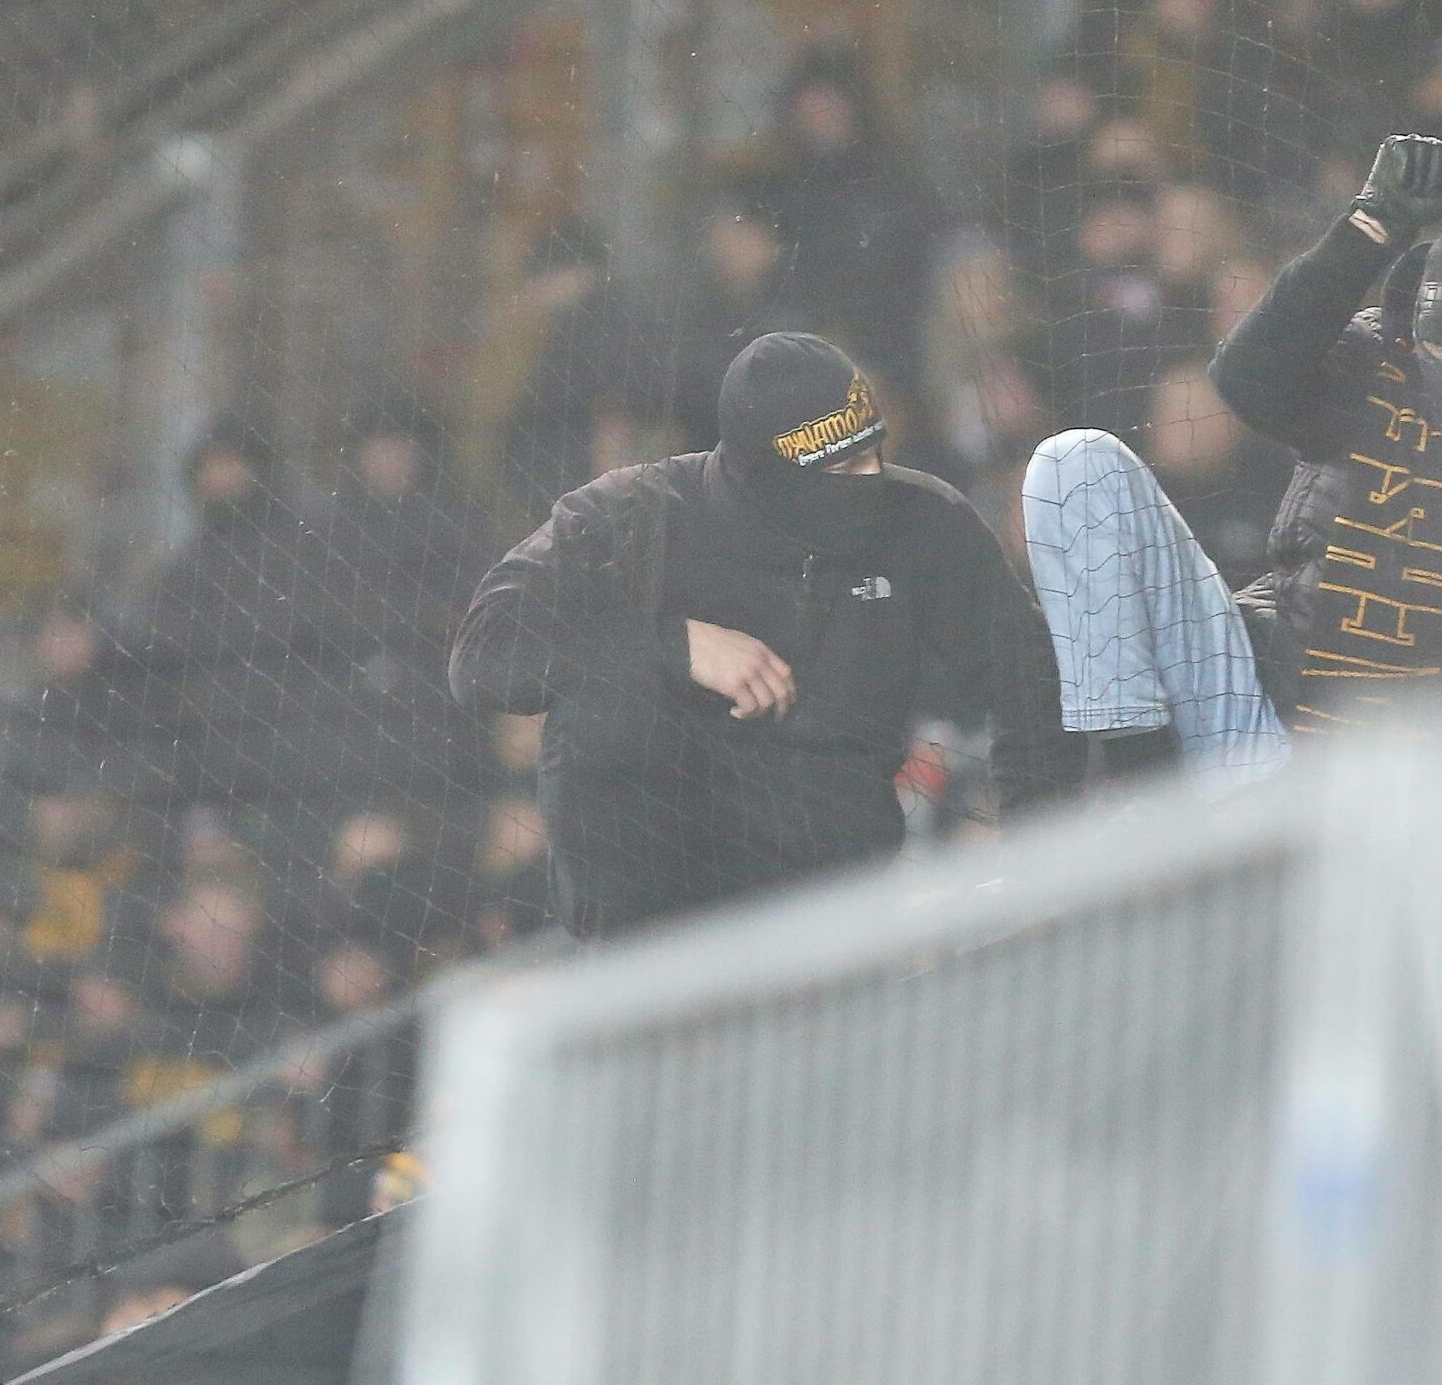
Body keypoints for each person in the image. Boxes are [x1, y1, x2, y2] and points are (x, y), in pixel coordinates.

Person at [1021, 133, 1442, 778]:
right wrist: (1371, 227)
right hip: (1259, 712)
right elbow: (1245, 381)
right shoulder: (1374, 355)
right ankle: (1138, 781)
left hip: (1427, 764)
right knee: (1075, 465)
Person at [450, 331, 1080, 939]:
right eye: (841, 467)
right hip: (658, 900)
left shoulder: (919, 521)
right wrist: (675, 646)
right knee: (607, 700)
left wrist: (1030, 864)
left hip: (835, 887)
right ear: (763, 474)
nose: (869, 479)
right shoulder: (636, 516)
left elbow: (1028, 682)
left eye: (874, 453)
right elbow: (483, 656)